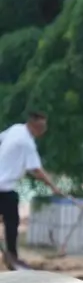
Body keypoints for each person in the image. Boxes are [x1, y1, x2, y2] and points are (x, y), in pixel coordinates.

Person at [0, 111, 62, 268]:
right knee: (12, 222)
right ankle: (12, 256)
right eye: (43, 127)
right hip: (4, 188)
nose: (44, 131)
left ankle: (11, 255)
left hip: (4, 186)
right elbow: (36, 170)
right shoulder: (27, 142)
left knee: (10, 220)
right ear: (35, 126)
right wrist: (54, 187)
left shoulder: (15, 129)